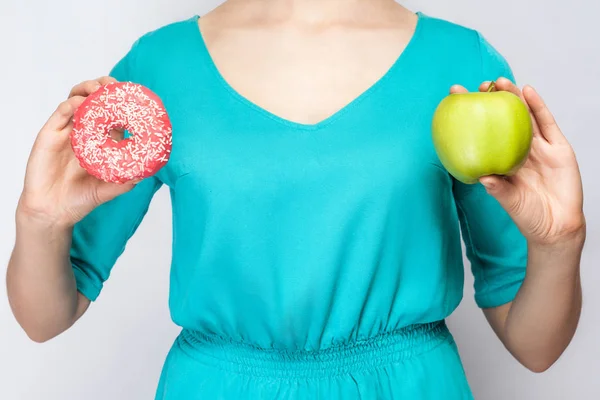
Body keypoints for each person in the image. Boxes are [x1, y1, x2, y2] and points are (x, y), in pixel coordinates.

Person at [7, 0, 585, 399]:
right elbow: (46, 318)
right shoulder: (158, 67)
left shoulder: (463, 66)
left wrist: (560, 245)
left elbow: (535, 348)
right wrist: (38, 222)